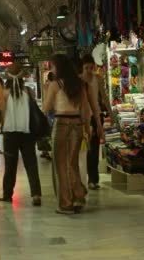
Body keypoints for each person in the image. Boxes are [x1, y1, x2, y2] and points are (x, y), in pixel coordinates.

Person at [43, 54, 98, 214]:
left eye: (52, 66)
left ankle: (66, 203)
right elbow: (86, 110)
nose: (51, 69)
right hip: (77, 124)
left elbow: (46, 108)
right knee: (72, 163)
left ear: (58, 67)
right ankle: (79, 196)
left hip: (61, 124)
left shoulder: (55, 84)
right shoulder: (80, 84)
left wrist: (48, 92)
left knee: (61, 165)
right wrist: (87, 128)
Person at [0, 64, 42, 206]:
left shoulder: (4, 93)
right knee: (31, 163)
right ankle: (36, 194)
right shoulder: (28, 91)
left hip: (10, 134)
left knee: (10, 165)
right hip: (27, 132)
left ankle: (7, 194)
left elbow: (2, 114)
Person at [80, 55, 107, 190]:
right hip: (82, 118)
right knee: (83, 149)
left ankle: (93, 179)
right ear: (82, 68)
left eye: (92, 67)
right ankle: (82, 179)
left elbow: (104, 96)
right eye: (87, 68)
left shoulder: (98, 79)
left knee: (94, 149)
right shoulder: (79, 81)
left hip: (96, 117)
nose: (90, 70)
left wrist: (111, 113)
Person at [38, 72, 55, 160]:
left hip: (48, 109)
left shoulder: (46, 85)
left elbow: (45, 97)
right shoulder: (54, 85)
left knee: (47, 131)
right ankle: (51, 150)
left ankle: (45, 151)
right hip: (54, 109)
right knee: (52, 130)